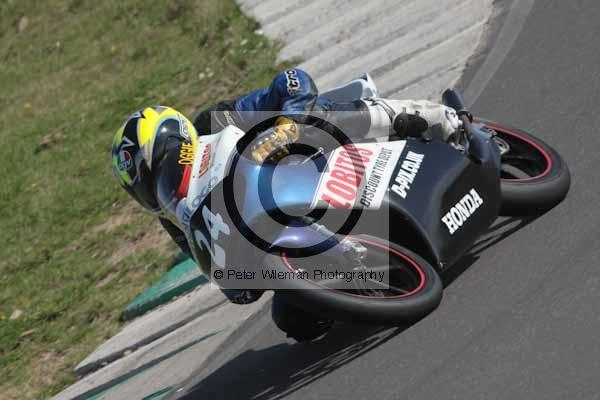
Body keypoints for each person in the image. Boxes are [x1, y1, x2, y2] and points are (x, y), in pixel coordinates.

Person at [111, 69, 460, 340]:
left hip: (311, 160)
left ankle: (429, 118)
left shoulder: (216, 121)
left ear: (178, 137)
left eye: (162, 167)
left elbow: (291, 81)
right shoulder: (176, 217)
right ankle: (363, 282)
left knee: (315, 115)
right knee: (293, 320)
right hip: (281, 229)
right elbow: (232, 275)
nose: (160, 187)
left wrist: (289, 121)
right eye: (147, 189)